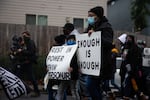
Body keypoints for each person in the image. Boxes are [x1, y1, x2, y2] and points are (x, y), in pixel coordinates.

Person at [85, 6, 113, 100]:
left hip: (101, 64)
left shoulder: (106, 27)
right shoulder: (91, 27)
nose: (89, 18)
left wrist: (96, 36)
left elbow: (108, 43)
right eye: (88, 16)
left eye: (91, 15)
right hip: (91, 63)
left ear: (98, 16)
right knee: (95, 87)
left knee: (90, 85)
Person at [56, 35, 80, 100]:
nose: (70, 41)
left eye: (72, 40)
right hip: (65, 73)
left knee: (74, 90)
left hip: (73, 74)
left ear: (75, 40)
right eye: (69, 40)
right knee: (61, 89)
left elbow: (79, 61)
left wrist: (74, 68)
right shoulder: (64, 49)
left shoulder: (78, 49)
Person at [16, 31, 40, 97]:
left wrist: (22, 51)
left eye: (25, 36)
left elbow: (31, 52)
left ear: (28, 36)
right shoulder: (25, 43)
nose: (24, 37)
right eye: (23, 36)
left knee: (31, 78)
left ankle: (37, 92)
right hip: (23, 62)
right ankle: (23, 90)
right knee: (18, 77)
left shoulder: (30, 42)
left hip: (28, 62)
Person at [122, 35, 145, 99]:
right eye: (126, 39)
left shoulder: (135, 48)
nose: (127, 40)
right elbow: (125, 58)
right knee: (130, 83)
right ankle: (138, 94)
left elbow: (138, 60)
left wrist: (138, 69)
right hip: (128, 69)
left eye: (129, 39)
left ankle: (138, 94)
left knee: (131, 83)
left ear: (132, 39)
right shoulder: (126, 47)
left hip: (134, 69)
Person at [46, 34, 66, 100]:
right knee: (62, 89)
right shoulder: (65, 49)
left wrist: (47, 66)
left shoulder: (53, 48)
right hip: (61, 72)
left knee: (50, 88)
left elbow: (48, 58)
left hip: (52, 71)